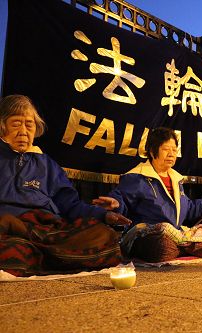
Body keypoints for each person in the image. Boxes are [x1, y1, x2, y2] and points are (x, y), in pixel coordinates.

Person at [0, 95, 130, 276]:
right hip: (9, 230)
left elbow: (70, 205)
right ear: (2, 127)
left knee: (103, 235)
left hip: (46, 231)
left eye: (29, 125)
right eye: (16, 124)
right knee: (12, 250)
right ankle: (53, 258)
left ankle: (46, 257)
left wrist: (104, 215)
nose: (23, 131)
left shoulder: (47, 165)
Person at [94, 127, 202, 262]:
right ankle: (181, 246)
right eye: (166, 149)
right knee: (162, 245)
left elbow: (186, 208)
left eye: (174, 150)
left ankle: (178, 247)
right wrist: (116, 203)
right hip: (148, 237)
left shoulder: (176, 179)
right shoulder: (137, 177)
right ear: (152, 151)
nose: (171, 154)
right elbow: (121, 198)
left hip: (175, 235)